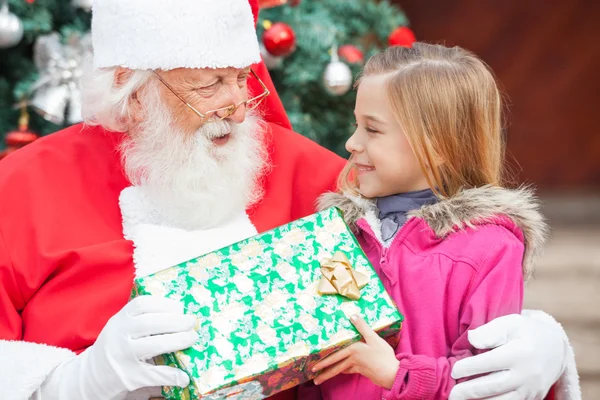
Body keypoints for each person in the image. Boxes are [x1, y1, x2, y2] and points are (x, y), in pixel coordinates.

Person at [0, 1, 578, 399]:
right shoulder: (23, 187)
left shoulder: (311, 172)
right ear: (132, 90)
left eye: (241, 77)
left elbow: (437, 265)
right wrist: (82, 381)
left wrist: (540, 344)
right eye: (209, 84)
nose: (237, 105)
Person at [300, 43, 580, 400]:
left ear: (436, 146)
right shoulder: (337, 235)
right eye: (356, 124)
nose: (351, 142)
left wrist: (397, 375)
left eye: (373, 130)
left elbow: (487, 382)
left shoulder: (489, 249)